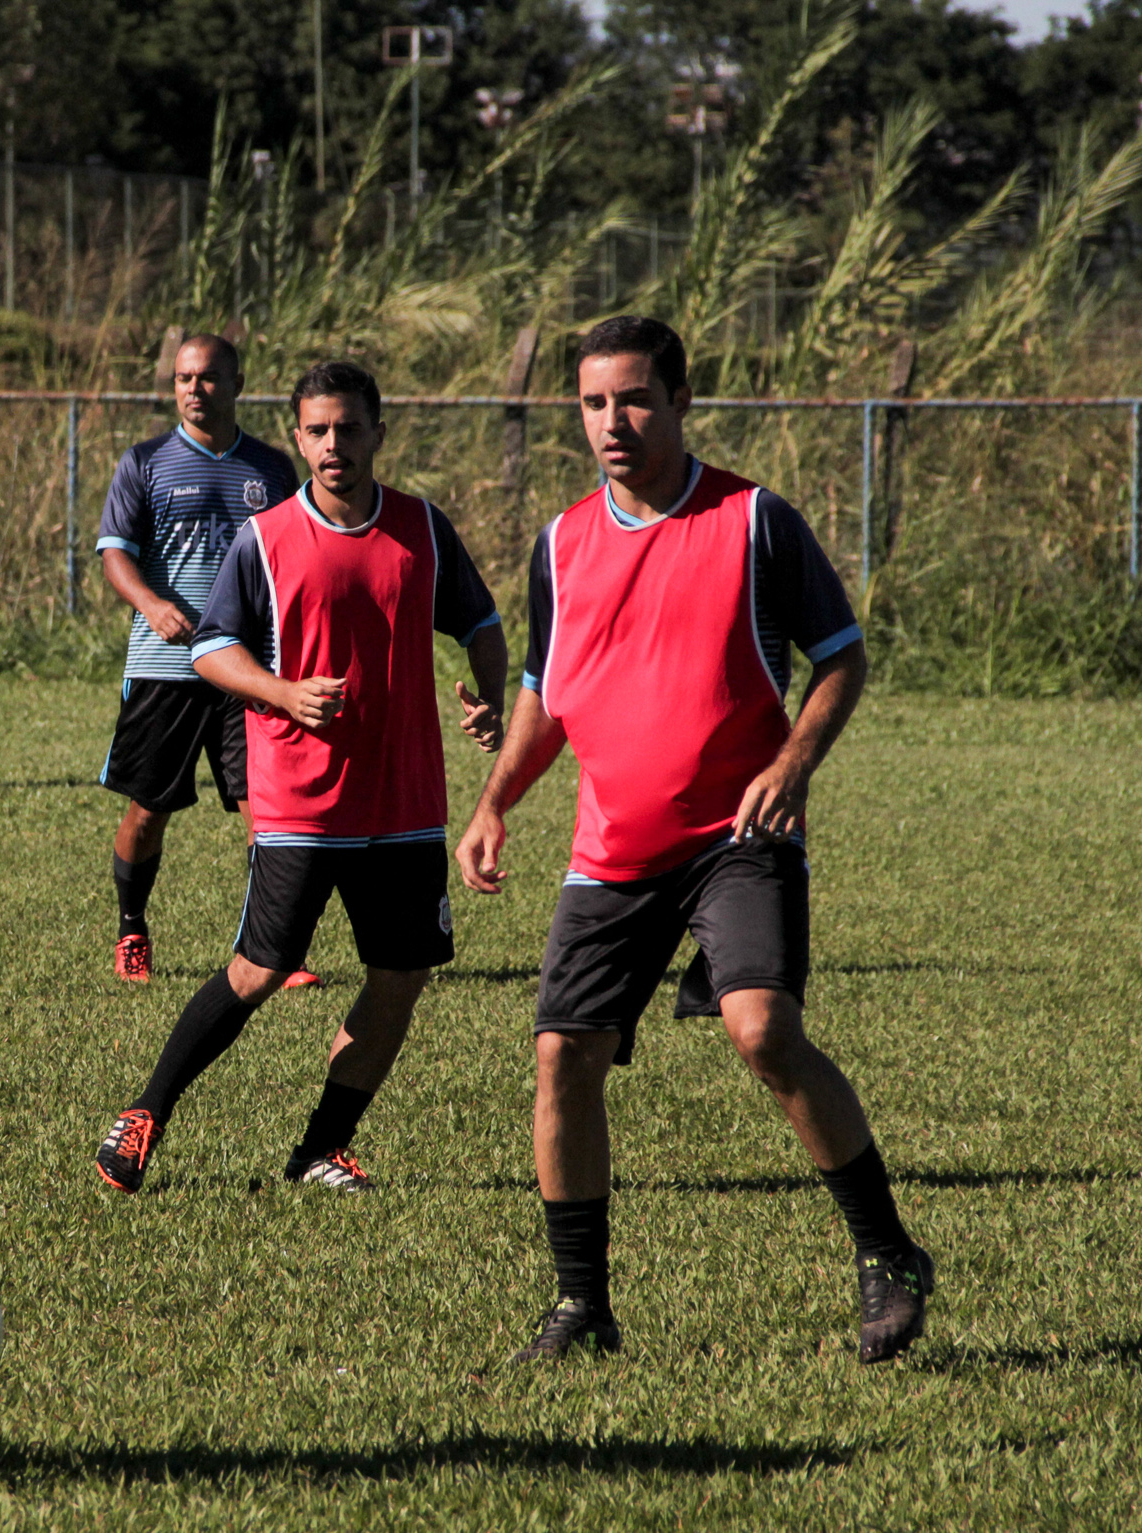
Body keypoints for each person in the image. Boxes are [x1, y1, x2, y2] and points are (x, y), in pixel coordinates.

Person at [454, 315, 935, 1365]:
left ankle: (887, 1254)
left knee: (760, 1031)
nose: (611, 421)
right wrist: (493, 802)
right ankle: (581, 1308)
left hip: (736, 832)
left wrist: (791, 764)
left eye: (631, 398)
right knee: (559, 1059)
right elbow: (545, 689)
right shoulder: (559, 543)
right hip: (609, 848)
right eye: (590, 403)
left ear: (678, 402)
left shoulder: (755, 521)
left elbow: (840, 657)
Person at [94, 361, 508, 1195]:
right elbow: (213, 648)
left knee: (399, 979)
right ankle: (145, 1113)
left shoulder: (423, 529)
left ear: (377, 434)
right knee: (258, 969)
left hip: (403, 804)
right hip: (302, 802)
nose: (332, 445)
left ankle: (319, 1147)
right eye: (316, 430)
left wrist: (490, 695)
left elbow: (482, 619)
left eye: (348, 428)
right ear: (296, 437)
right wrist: (282, 691)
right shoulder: (268, 537)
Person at [94, 334, 313, 985]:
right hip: (166, 670)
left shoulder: (272, 469)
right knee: (146, 810)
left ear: (237, 383)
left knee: (266, 814)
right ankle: (132, 928)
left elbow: (292, 560)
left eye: (209, 377)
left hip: (246, 671)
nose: (195, 388)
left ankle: (273, 949)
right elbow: (114, 553)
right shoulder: (146, 462)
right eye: (185, 378)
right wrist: (152, 604)